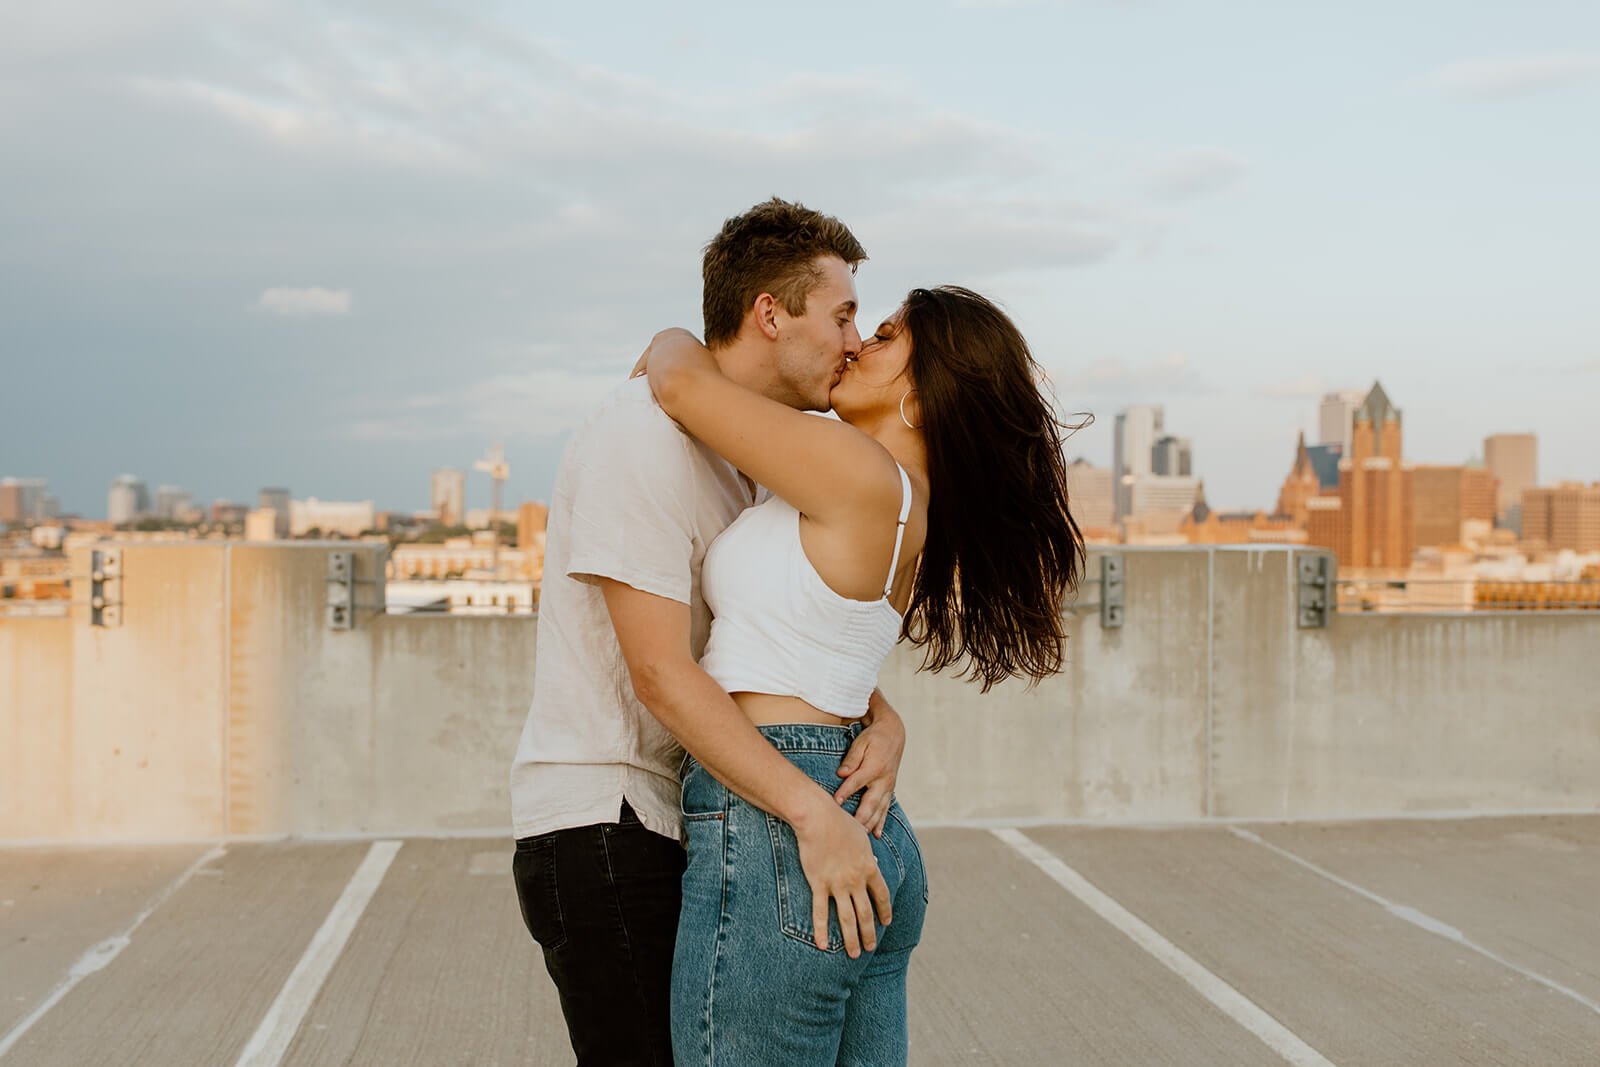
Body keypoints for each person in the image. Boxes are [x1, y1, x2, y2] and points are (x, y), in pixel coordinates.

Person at [640, 284, 1085, 1064]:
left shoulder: (859, 471)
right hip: (859, 815)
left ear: (919, 395)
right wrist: (885, 716)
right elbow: (821, 635)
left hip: (782, 822)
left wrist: (675, 334)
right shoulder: (910, 502)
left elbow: (678, 383)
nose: (854, 346)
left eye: (882, 336)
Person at [509, 198, 909, 1066]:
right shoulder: (640, 435)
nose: (853, 340)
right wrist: (813, 814)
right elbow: (658, 671)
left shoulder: (752, 456)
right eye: (842, 314)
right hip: (607, 825)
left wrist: (882, 715)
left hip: (696, 809)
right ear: (771, 313)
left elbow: (778, 628)